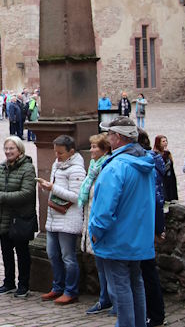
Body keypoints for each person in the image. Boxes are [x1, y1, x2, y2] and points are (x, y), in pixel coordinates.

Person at [89, 117, 156, 327]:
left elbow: (104, 207)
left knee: (120, 288)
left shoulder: (116, 167)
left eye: (110, 134)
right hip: (137, 236)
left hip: (117, 238)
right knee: (136, 283)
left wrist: (96, 231)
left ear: (118, 137)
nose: (108, 138)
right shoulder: (145, 162)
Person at [38, 135, 85, 305]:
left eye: (61, 153)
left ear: (71, 151)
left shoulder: (77, 169)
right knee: (53, 255)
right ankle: (58, 287)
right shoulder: (57, 165)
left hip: (68, 219)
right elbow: (55, 192)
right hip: (54, 218)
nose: (57, 156)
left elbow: (77, 196)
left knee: (68, 257)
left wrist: (53, 188)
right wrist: (47, 188)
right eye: (55, 152)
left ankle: (71, 290)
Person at [0, 136, 37, 298]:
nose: (8, 152)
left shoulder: (28, 168)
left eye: (12, 149)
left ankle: (24, 284)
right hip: (3, 217)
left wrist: (2, 197)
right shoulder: (1, 167)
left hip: (20, 219)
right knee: (6, 252)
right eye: (6, 148)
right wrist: (0, 195)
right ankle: (9, 282)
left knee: (22, 253)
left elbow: (27, 193)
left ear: (20, 150)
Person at [78, 133, 114, 315]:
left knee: (110, 266)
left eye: (94, 147)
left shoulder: (107, 168)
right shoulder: (94, 167)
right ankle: (104, 298)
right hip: (92, 219)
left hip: (101, 224)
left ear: (105, 150)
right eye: (91, 146)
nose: (91, 150)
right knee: (101, 264)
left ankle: (114, 300)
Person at [138, 130, 167, 327]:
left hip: (145, 225)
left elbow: (156, 197)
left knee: (147, 272)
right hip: (143, 224)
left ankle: (155, 315)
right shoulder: (148, 161)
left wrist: (158, 228)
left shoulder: (147, 164)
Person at [154, 135, 178, 202]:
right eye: (163, 141)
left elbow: (171, 163)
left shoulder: (167, 153)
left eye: (166, 141)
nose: (165, 143)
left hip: (169, 175)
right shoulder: (155, 154)